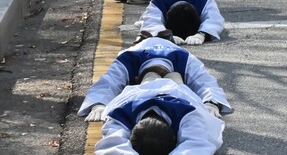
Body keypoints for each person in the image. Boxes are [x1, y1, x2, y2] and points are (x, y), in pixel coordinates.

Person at [94, 76, 225, 155]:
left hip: (144, 91)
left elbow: (112, 139)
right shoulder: (121, 113)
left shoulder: (187, 112)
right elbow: (199, 139)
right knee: (170, 77)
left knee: (157, 77)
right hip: (170, 91)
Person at [78, 36, 232, 122]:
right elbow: (110, 81)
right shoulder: (128, 59)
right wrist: (98, 104)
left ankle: (171, 83)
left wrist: (211, 102)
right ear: (136, 77)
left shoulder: (185, 59)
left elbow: (205, 81)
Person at [136, 0, 225, 45]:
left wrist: (200, 35)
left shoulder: (204, 0)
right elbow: (214, 20)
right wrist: (166, 35)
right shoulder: (159, 2)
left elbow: (151, 23)